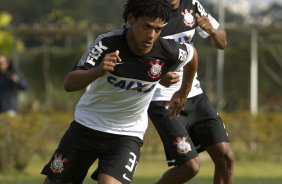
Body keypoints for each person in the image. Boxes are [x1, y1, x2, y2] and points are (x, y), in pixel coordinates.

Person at [41, 0, 198, 183]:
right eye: (146, 27)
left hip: (127, 135)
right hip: (87, 127)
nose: (151, 35)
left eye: (158, 29)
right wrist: (97, 71)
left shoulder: (166, 50)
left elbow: (192, 54)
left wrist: (183, 92)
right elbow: (69, 84)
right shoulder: (107, 43)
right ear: (131, 19)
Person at [147, 0, 234, 184]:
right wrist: (156, 75)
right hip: (162, 99)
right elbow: (133, 49)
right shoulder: (147, 8)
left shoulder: (192, 5)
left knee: (226, 157)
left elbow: (222, 42)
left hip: (194, 95)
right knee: (190, 167)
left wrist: (212, 30)